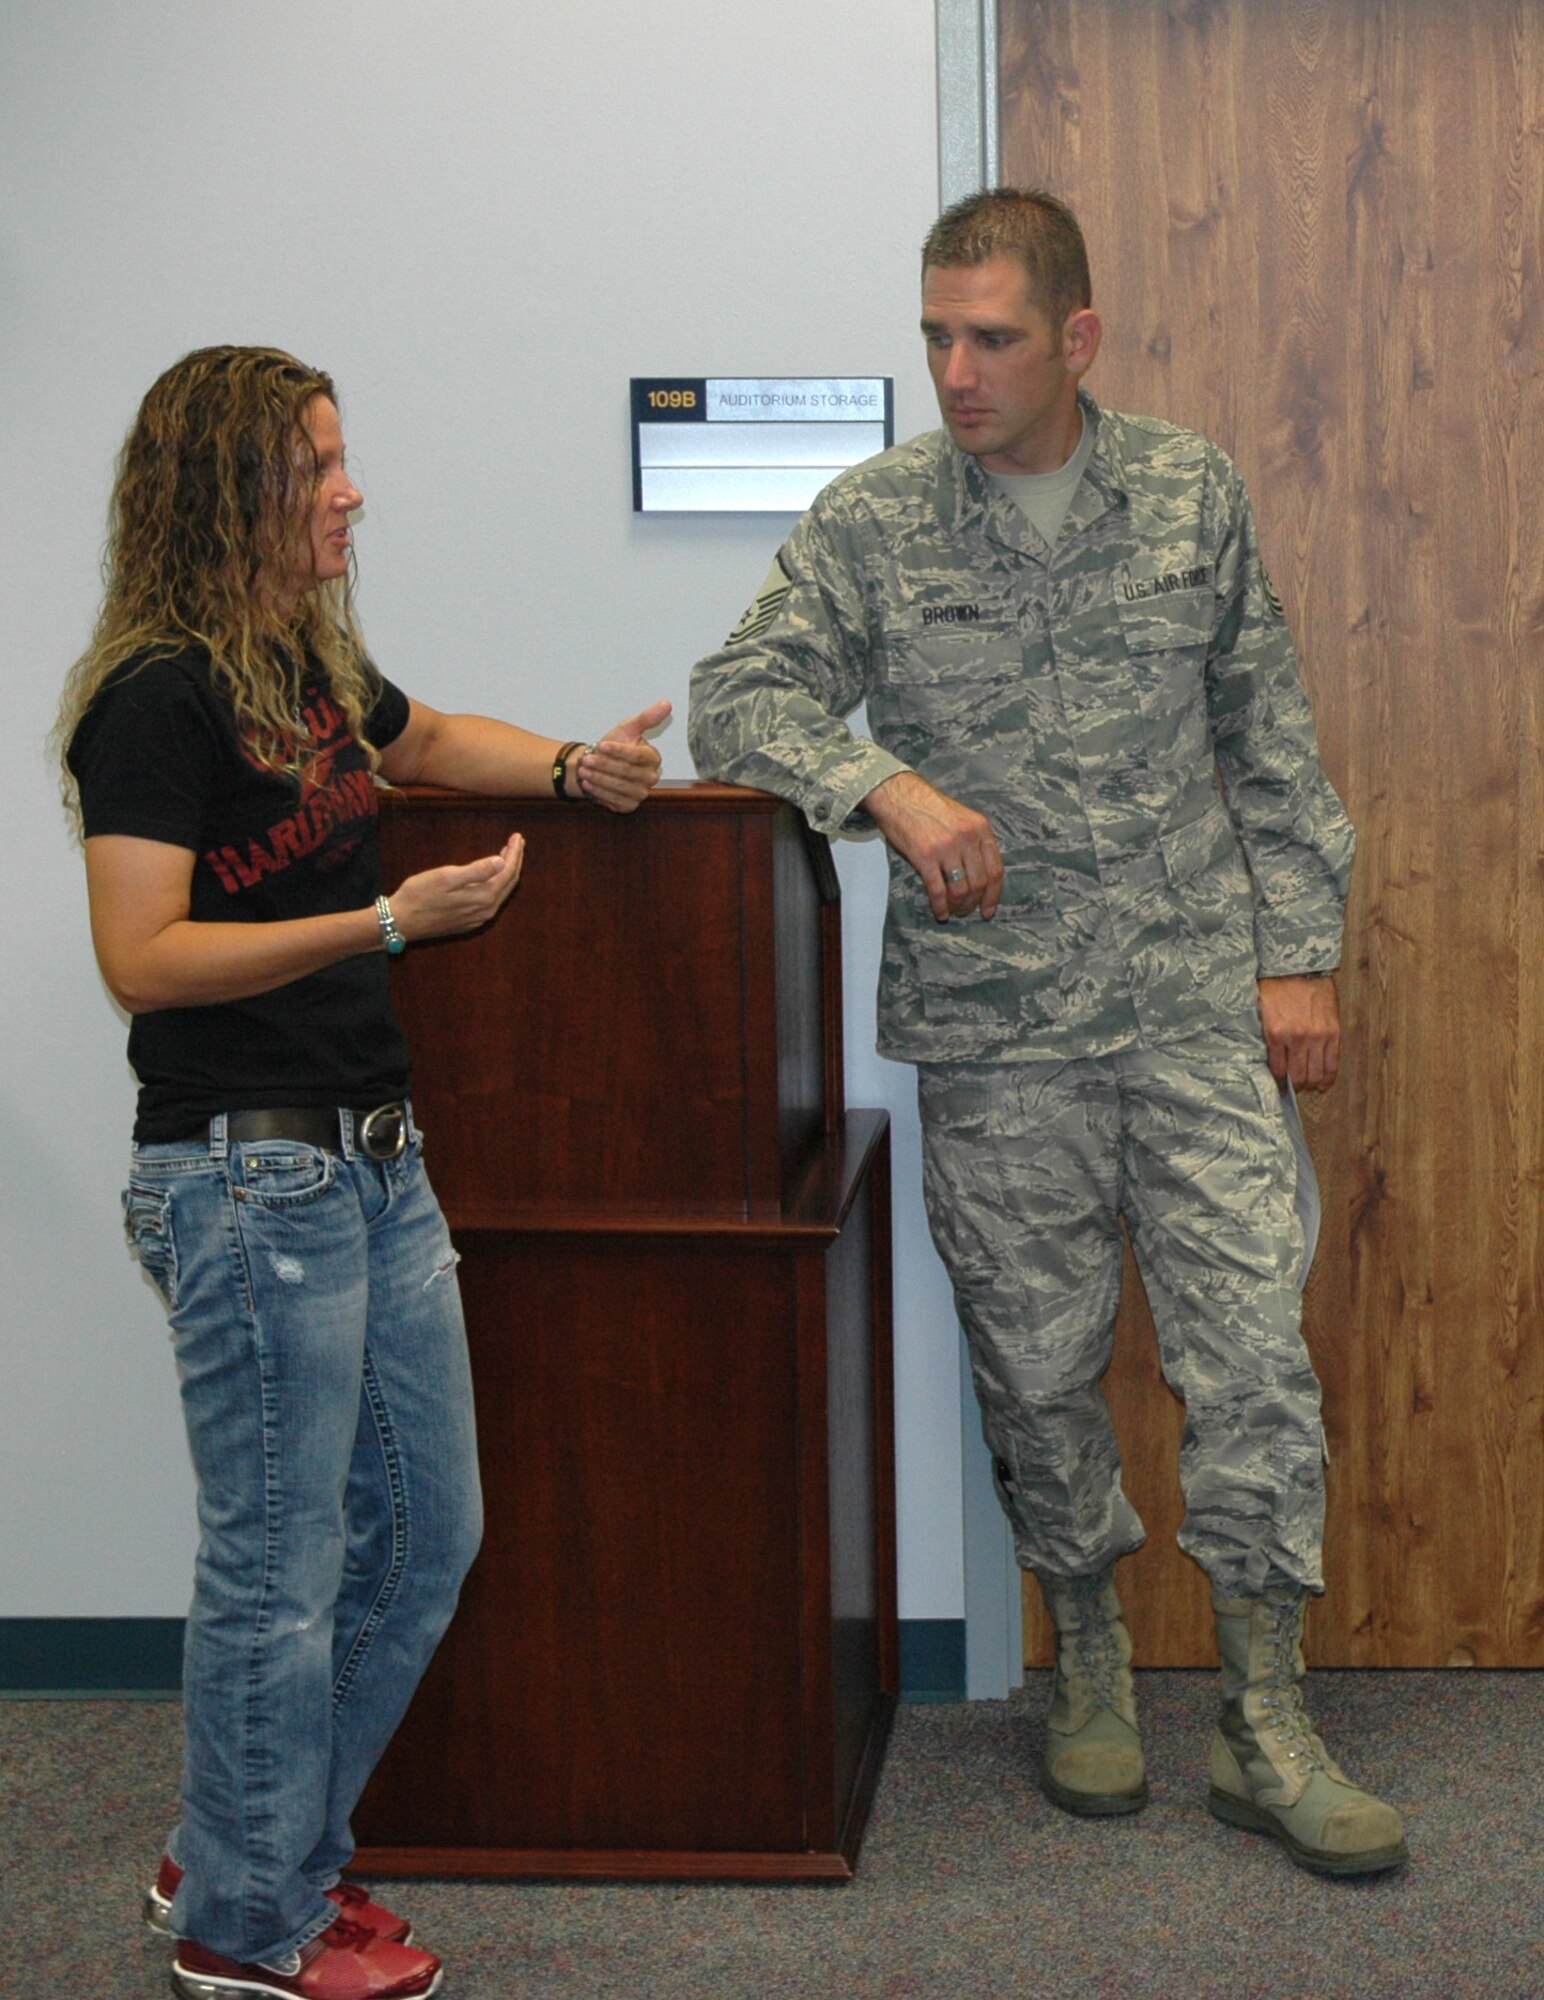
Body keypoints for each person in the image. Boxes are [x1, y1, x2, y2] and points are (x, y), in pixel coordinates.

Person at [689, 189, 1407, 1877]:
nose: (956, 370)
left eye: (992, 337)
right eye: (936, 334)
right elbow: (740, 694)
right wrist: (886, 782)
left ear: (1076, 339)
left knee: (1250, 1355)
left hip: (1189, 1007)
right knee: (1035, 1362)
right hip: (998, 1028)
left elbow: (1271, 732)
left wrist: (1298, 954)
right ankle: (1084, 1655)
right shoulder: (875, 522)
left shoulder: (1189, 490)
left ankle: (1260, 1710)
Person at [55, 345, 670, 2000]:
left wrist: (566, 769)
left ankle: (237, 1855)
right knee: (277, 1570)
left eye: (343, 458)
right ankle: (252, 1934)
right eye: (318, 464)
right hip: (245, 1184)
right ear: (230, 491)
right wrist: (392, 922)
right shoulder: (157, 695)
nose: (351, 489)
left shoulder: (301, 666)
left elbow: (428, 737)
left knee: (422, 1538)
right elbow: (143, 955)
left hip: (375, 1178)